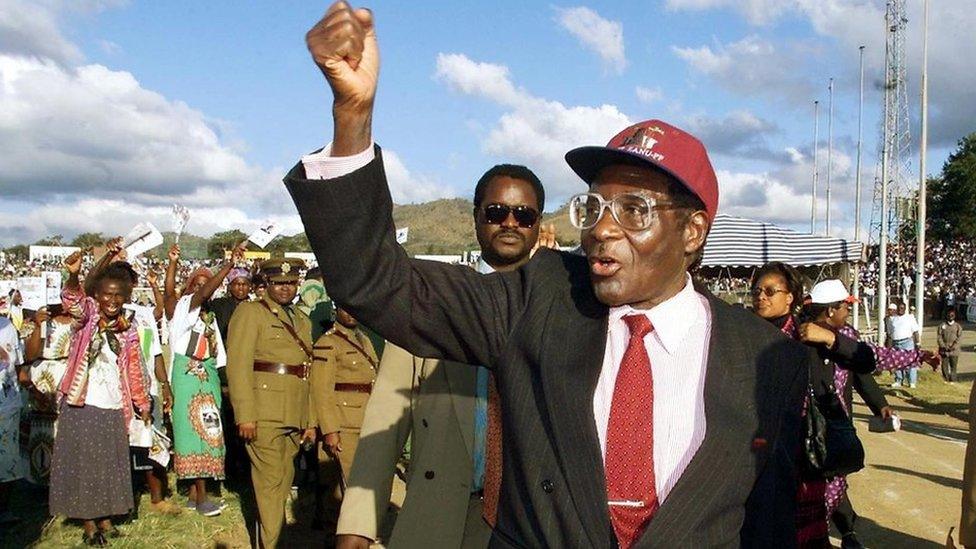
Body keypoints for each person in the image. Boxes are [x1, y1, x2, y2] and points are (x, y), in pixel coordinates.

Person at [287, 5, 823, 545]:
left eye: (634, 210)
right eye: (594, 208)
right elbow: (377, 282)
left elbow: (768, 523)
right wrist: (352, 116)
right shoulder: (539, 298)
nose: (601, 231)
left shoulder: (764, 358)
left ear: (692, 232)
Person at [335, 163, 545, 548]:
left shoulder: (556, 312)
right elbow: (386, 422)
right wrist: (358, 524)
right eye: (497, 212)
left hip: (526, 523)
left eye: (524, 215)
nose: (510, 223)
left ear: (537, 224)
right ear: (477, 218)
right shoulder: (429, 303)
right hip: (439, 513)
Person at [797, 279, 940, 549]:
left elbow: (868, 363)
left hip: (835, 433)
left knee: (833, 488)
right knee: (817, 498)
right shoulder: (797, 334)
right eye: (845, 308)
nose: (847, 313)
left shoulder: (845, 336)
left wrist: (880, 402)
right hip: (805, 434)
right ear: (830, 310)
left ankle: (840, 534)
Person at [49, 252, 151, 546]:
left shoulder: (127, 328)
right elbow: (72, 300)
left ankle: (107, 518)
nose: (112, 301)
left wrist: (142, 405)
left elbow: (133, 368)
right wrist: (73, 275)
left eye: (118, 296)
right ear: (97, 295)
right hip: (82, 402)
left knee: (109, 462)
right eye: (107, 295)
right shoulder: (88, 317)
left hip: (113, 404)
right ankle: (89, 524)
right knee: (85, 463)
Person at [226, 258, 316, 549]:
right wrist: (245, 415)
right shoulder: (250, 312)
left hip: (294, 412)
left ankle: (270, 540)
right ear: (266, 284)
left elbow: (307, 372)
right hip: (263, 413)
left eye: (290, 283)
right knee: (269, 484)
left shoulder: (301, 319)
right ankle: (271, 544)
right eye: (279, 283)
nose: (285, 289)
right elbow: (238, 366)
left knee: (283, 480)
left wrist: (309, 420)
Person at [165, 243, 245, 516]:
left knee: (208, 429)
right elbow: (171, 292)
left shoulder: (208, 316)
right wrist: (227, 267)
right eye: (198, 284)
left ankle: (193, 494)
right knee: (194, 432)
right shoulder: (184, 307)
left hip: (207, 374)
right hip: (189, 375)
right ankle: (201, 498)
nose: (203, 287)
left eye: (205, 283)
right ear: (191, 288)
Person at [310, 307, 379, 535]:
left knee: (357, 485)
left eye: (354, 308)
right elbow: (321, 390)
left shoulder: (364, 339)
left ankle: (350, 533)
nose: (350, 313)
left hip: (365, 419)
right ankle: (339, 536)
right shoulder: (327, 343)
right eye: (344, 308)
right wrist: (330, 430)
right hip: (343, 423)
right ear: (334, 310)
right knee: (344, 487)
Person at [207, 266, 253, 481]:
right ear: (230, 286)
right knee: (227, 419)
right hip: (225, 368)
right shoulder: (219, 307)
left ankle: (245, 466)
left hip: (250, 370)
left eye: (245, 284)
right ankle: (229, 467)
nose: (241, 288)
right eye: (237, 284)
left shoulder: (256, 308)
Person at [0, 314, 24, 526]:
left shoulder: (8, 327)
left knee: (7, 460)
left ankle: (3, 509)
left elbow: (17, 366)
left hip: (6, 404)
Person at [885, 300, 921, 388]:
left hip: (907, 342)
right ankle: (898, 380)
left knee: (910, 362)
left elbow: (916, 332)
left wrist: (918, 343)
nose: (901, 310)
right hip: (896, 342)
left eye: (902, 308)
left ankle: (911, 381)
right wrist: (888, 348)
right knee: (897, 362)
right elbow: (890, 334)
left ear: (905, 309)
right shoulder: (892, 319)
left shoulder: (910, 318)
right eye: (899, 308)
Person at [937, 309, 963, 383]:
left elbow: (959, 338)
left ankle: (953, 380)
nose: (950, 317)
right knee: (944, 366)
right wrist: (943, 346)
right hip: (944, 350)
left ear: (954, 316)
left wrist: (953, 347)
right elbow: (939, 337)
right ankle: (945, 379)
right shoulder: (942, 325)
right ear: (946, 315)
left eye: (952, 315)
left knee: (953, 366)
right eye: (949, 315)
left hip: (954, 351)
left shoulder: (958, 326)